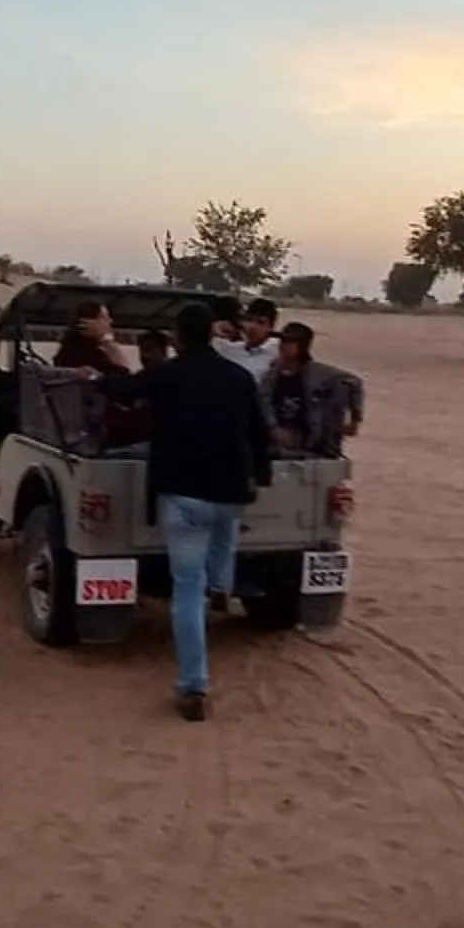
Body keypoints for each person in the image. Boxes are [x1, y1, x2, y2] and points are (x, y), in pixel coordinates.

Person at [119, 300, 273, 720]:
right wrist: (259, 479)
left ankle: (193, 686)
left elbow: (124, 390)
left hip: (184, 497)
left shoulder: (167, 375)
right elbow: (261, 435)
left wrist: (106, 349)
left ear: (179, 336)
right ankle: (221, 584)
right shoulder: (239, 376)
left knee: (186, 592)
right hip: (230, 496)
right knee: (218, 556)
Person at [263, 321, 355, 456]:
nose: (282, 346)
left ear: (302, 346)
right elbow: (263, 400)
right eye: (282, 341)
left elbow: (353, 382)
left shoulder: (318, 373)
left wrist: (354, 421)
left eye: (289, 342)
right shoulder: (272, 374)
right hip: (274, 439)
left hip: (306, 442)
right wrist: (272, 427)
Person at [215, 297, 281, 384]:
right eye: (249, 320)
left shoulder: (278, 351)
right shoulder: (228, 349)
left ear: (271, 326)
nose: (253, 327)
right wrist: (215, 328)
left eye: (260, 322)